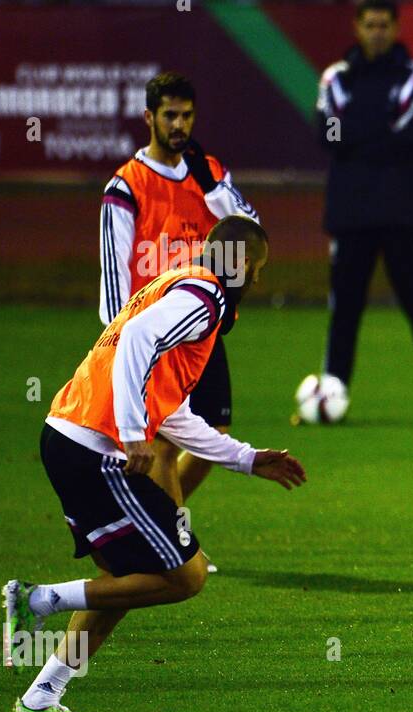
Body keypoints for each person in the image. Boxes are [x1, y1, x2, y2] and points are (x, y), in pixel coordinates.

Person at [3, 217, 305, 712]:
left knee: (130, 581)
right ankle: (37, 599)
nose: (259, 281)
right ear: (244, 265)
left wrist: (248, 459)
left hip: (68, 437)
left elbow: (175, 411)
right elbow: (137, 340)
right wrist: (133, 431)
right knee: (186, 576)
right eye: (259, 269)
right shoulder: (203, 300)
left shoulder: (175, 284)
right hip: (95, 448)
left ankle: (39, 698)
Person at [99, 71, 260, 573]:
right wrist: (120, 339)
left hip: (203, 328)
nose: (179, 124)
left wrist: (213, 189)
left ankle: (162, 524)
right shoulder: (125, 187)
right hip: (153, 334)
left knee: (215, 433)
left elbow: (248, 234)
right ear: (149, 118)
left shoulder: (208, 172)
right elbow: (113, 278)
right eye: (169, 114)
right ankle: (175, 541)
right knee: (167, 446)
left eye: (187, 115)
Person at [315, 0, 413, 425]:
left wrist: (358, 136)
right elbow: (328, 135)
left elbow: (412, 136)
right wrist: (378, 131)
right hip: (350, 215)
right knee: (344, 310)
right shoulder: (335, 78)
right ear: (357, 28)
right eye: (369, 24)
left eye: (384, 25)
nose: (376, 32)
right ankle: (331, 398)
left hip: (403, 213)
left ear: (396, 28)